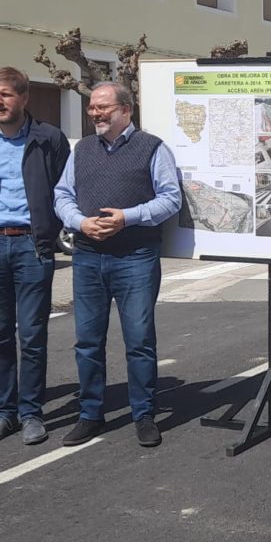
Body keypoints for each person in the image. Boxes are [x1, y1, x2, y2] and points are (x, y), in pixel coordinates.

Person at [54, 81, 182, 448]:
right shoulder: (81, 150)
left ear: (126, 110)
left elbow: (171, 198)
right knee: (87, 341)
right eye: (92, 107)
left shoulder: (152, 148)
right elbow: (62, 195)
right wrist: (80, 223)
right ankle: (90, 414)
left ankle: (144, 414)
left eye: (103, 107)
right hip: (88, 256)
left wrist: (127, 217)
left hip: (136, 256)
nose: (94, 113)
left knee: (139, 340)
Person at [0, 67, 72, 446]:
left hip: (32, 247)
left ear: (24, 98)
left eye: (6, 94)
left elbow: (65, 190)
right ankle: (5, 413)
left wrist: (52, 231)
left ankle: (31, 413)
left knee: (33, 336)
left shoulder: (49, 138)